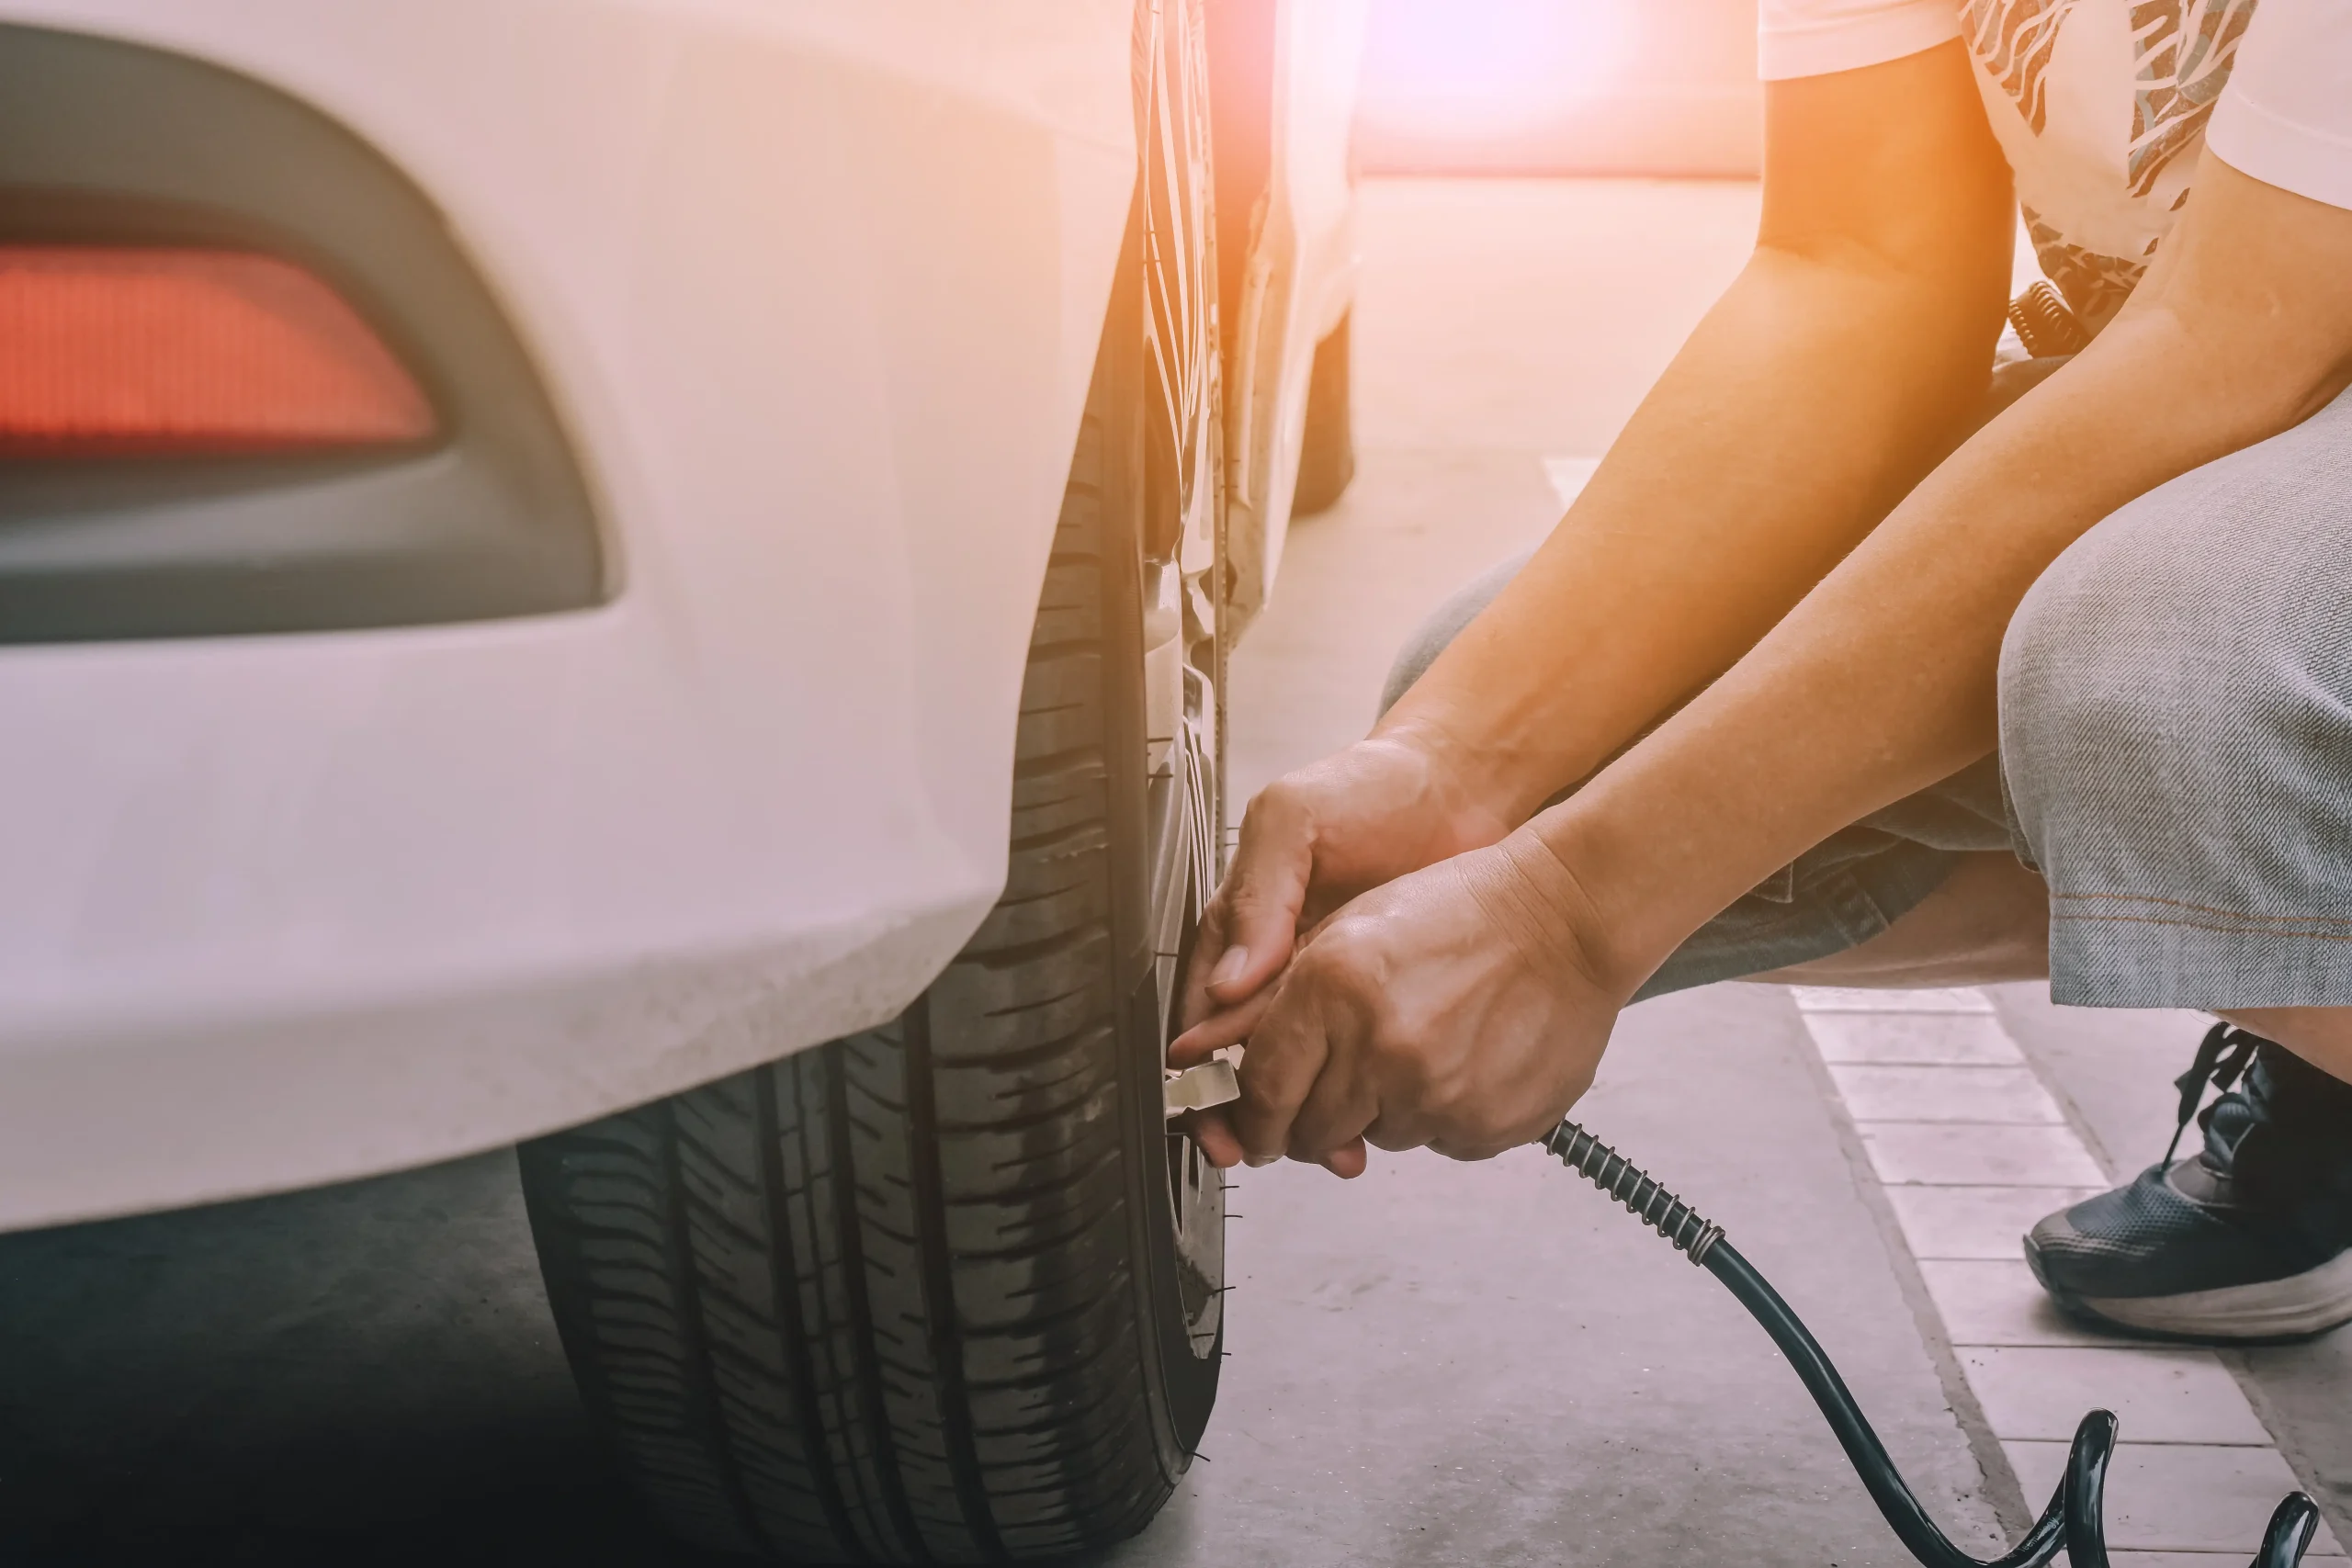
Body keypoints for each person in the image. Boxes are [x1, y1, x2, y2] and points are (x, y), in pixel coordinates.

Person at [1171, 0, 2352, 1343]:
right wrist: (1451, 763)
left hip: (2276, 364)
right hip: (2238, 372)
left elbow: (2241, 340)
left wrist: (1572, 912)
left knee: (2167, 671)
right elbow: (1864, 263)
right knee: (1525, 727)